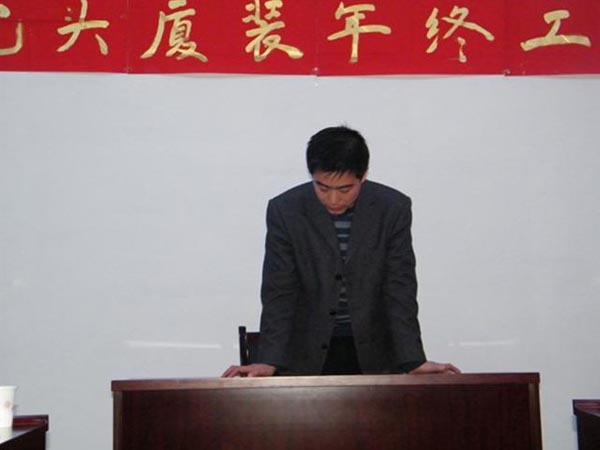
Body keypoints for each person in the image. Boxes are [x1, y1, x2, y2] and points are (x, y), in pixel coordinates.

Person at [223, 126, 459, 377]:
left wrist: (412, 360)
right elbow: (280, 291)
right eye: (323, 188)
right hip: (305, 354)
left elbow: (399, 287)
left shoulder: (392, 208)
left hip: (373, 353)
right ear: (312, 176)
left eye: (345, 189)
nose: (333, 199)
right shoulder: (286, 210)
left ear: (363, 176)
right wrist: (268, 360)